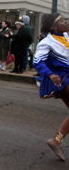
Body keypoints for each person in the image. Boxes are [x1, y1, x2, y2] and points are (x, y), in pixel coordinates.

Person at [33, 13, 69, 161]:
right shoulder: (46, 42)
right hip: (62, 79)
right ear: (54, 26)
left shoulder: (66, 36)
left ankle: (56, 141)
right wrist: (49, 74)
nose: (66, 22)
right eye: (62, 21)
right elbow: (38, 61)